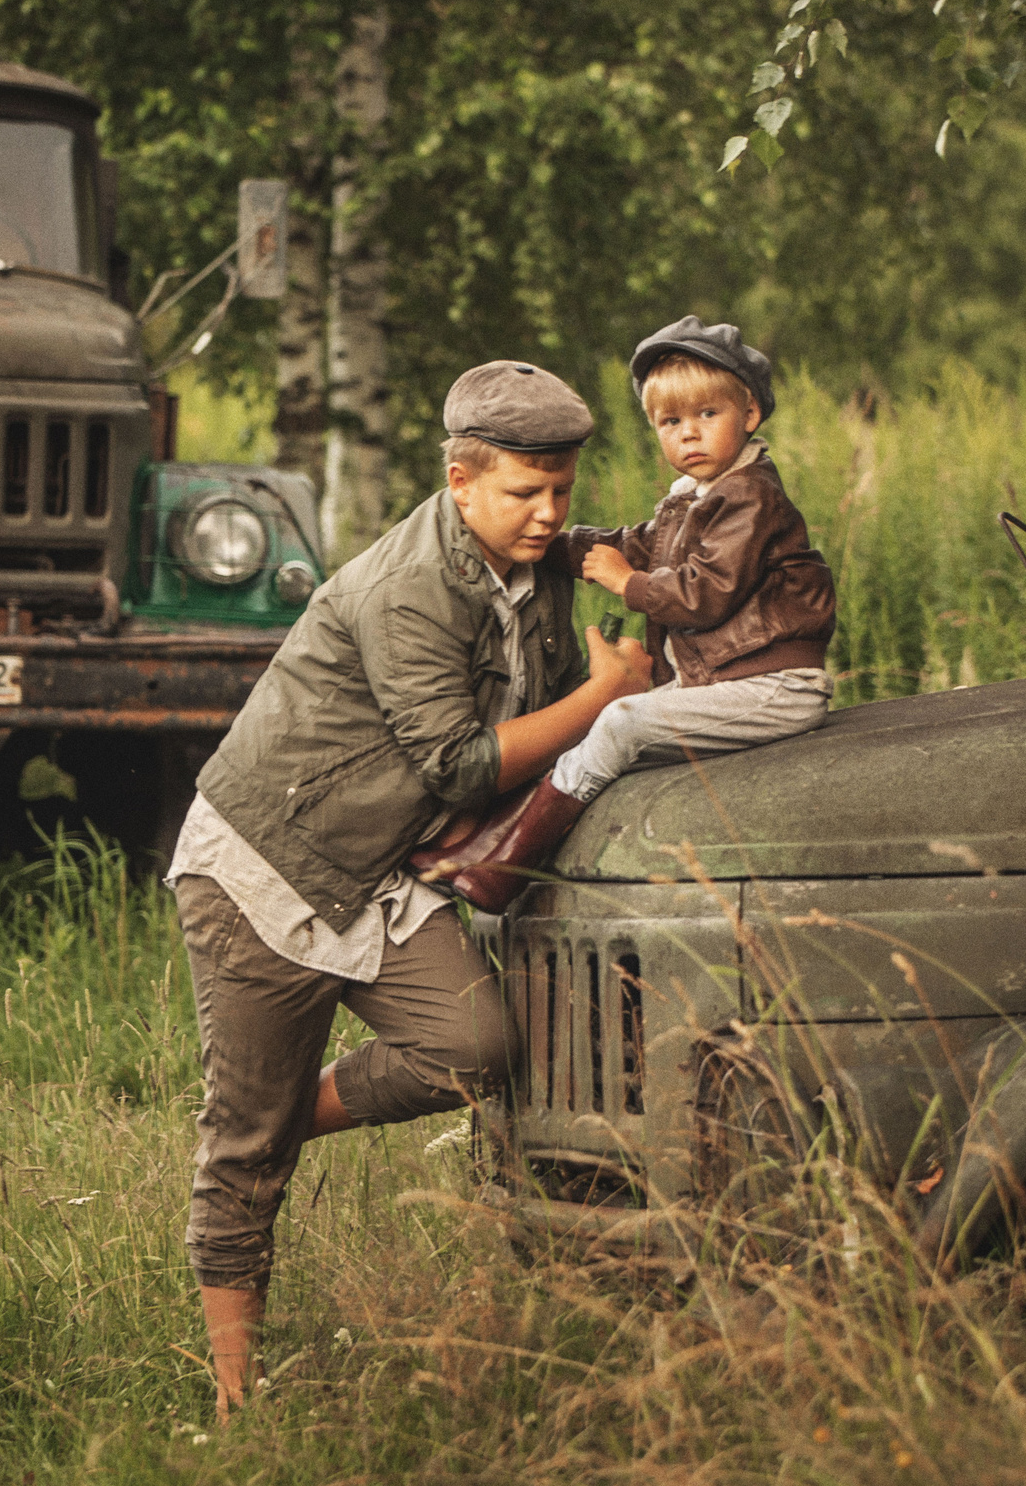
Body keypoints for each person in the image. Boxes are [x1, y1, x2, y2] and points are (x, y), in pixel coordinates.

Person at [163, 359, 654, 1420]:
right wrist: (608, 698)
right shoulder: (406, 588)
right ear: (459, 480)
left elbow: (641, 578)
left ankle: (273, 1117)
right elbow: (460, 765)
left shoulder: (539, 562)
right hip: (268, 867)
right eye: (525, 490)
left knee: (475, 1047)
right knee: (244, 1160)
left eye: (562, 488)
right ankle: (236, 1405)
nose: (549, 512)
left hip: (380, 866)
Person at [412, 316, 836, 911]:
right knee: (591, 723)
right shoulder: (692, 500)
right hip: (728, 682)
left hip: (775, 686)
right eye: (670, 422)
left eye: (707, 414)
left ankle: (508, 865)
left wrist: (625, 583)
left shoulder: (750, 497)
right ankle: (483, 845)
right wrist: (546, 543)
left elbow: (705, 593)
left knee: (621, 720)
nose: (689, 435)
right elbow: (632, 545)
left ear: (750, 414)